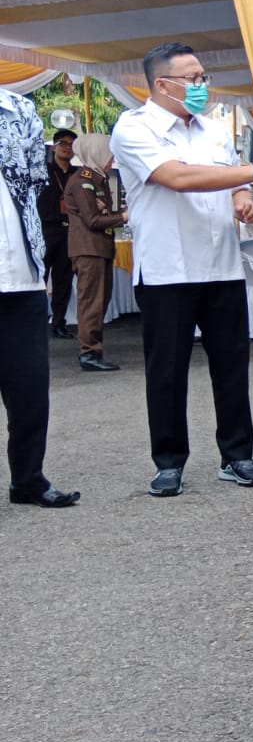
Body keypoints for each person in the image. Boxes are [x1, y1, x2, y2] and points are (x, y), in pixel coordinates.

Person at [110, 42, 253, 497]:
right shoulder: (134, 127)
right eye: (193, 78)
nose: (202, 85)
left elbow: (233, 182)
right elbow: (177, 178)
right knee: (167, 370)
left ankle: (237, 455)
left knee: (231, 365)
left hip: (221, 264)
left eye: (204, 76)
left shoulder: (215, 130)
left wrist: (243, 199)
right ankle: (168, 461)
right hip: (167, 269)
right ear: (162, 84)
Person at [0, 88, 78, 508]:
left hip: (21, 275)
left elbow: (34, 176)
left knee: (30, 389)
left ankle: (28, 479)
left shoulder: (18, 106)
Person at [60, 132, 124, 372]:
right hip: (89, 249)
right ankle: (89, 352)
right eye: (108, 153)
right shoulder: (83, 181)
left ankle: (93, 349)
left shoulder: (97, 179)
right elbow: (93, 220)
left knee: (100, 301)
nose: (111, 159)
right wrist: (124, 217)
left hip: (99, 249)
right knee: (92, 303)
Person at [38, 125, 76, 339]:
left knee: (63, 278)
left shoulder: (77, 174)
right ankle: (36, 321)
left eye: (71, 145)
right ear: (54, 147)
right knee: (39, 277)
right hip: (46, 230)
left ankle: (59, 322)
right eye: (63, 144)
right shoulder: (43, 171)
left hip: (69, 231)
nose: (67, 148)